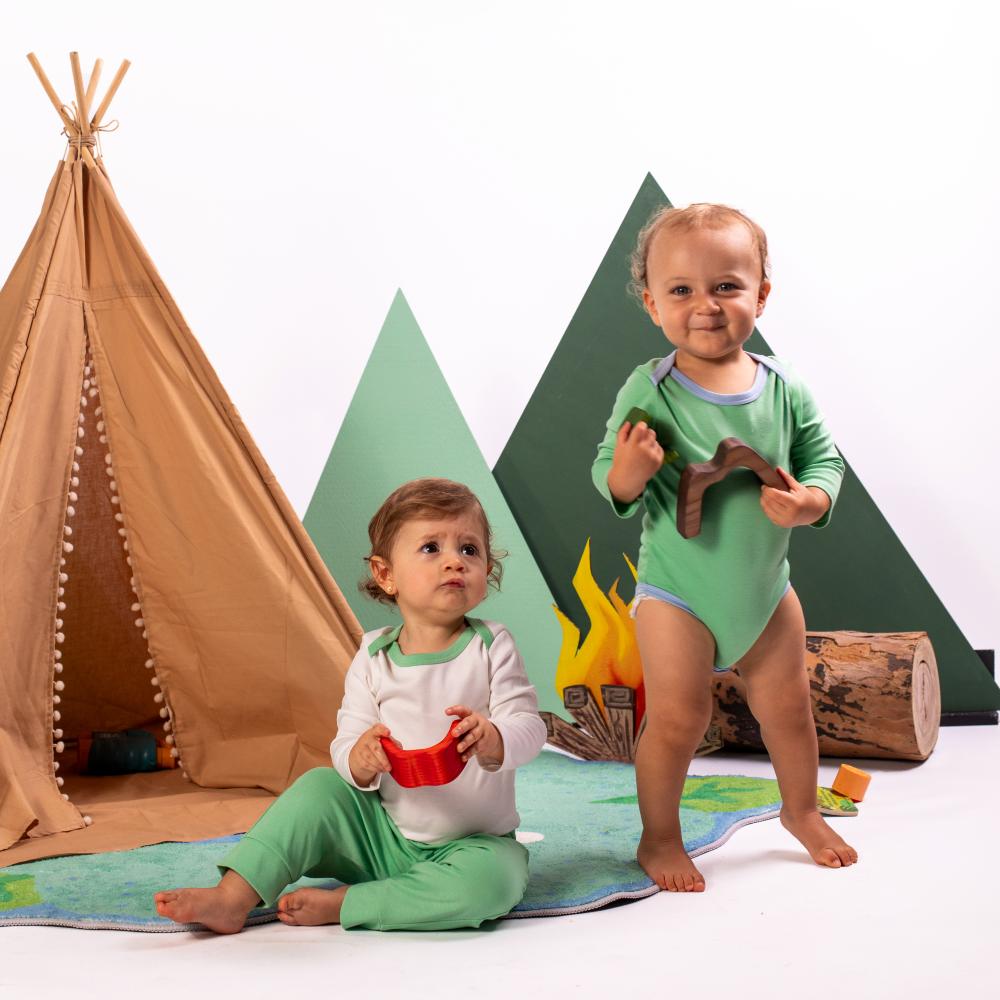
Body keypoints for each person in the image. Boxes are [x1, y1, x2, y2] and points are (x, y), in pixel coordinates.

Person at [592, 203, 858, 893]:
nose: (704, 306)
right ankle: (659, 837)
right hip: (678, 594)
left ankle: (801, 810)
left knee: (791, 710)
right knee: (679, 718)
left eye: (727, 287)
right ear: (653, 304)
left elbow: (825, 462)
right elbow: (606, 476)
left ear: (760, 296)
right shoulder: (648, 391)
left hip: (766, 590)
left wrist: (809, 501)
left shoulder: (783, 386)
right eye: (680, 291)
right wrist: (632, 471)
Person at [154, 478, 546, 932]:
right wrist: (359, 760)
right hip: (381, 835)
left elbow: (529, 727)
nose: (454, 561)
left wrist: (494, 738)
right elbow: (346, 741)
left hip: (474, 844)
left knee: (493, 884)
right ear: (386, 575)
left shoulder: (490, 644)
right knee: (319, 787)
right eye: (431, 548)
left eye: (470, 550)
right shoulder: (374, 654)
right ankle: (233, 896)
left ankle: (352, 904)